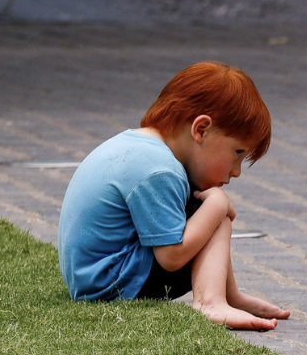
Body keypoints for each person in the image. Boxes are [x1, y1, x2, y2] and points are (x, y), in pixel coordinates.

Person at [58, 62, 290, 330]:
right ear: (200, 129)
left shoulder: (139, 146)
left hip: (92, 279)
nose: (236, 172)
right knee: (213, 214)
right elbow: (171, 257)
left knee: (202, 210)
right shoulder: (160, 170)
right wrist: (216, 204)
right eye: (237, 153)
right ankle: (210, 302)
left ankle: (228, 297)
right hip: (112, 285)